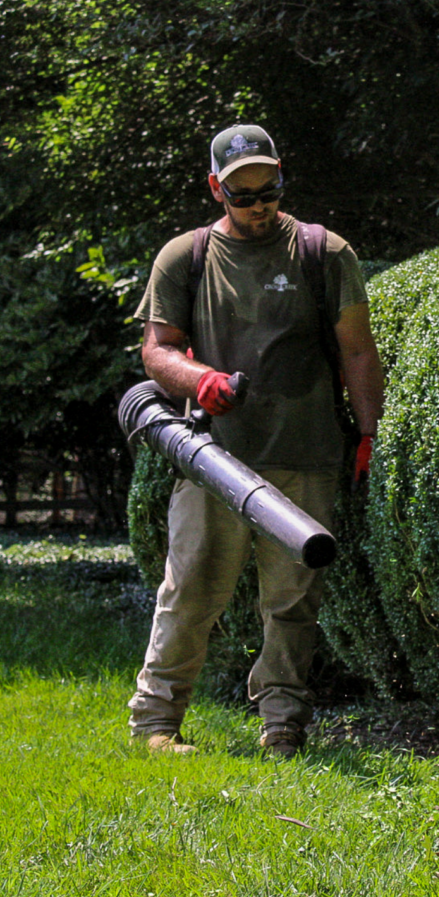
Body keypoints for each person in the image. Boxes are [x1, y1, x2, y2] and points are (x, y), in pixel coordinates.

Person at [128, 124, 384, 758]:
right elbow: (156, 350)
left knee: (293, 602)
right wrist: (201, 380)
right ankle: (155, 724)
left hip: (306, 452)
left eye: (268, 188)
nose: (259, 203)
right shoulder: (185, 257)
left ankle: (282, 726)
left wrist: (370, 433)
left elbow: (357, 348)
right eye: (243, 194)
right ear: (217, 189)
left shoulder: (324, 253)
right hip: (213, 460)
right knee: (190, 589)